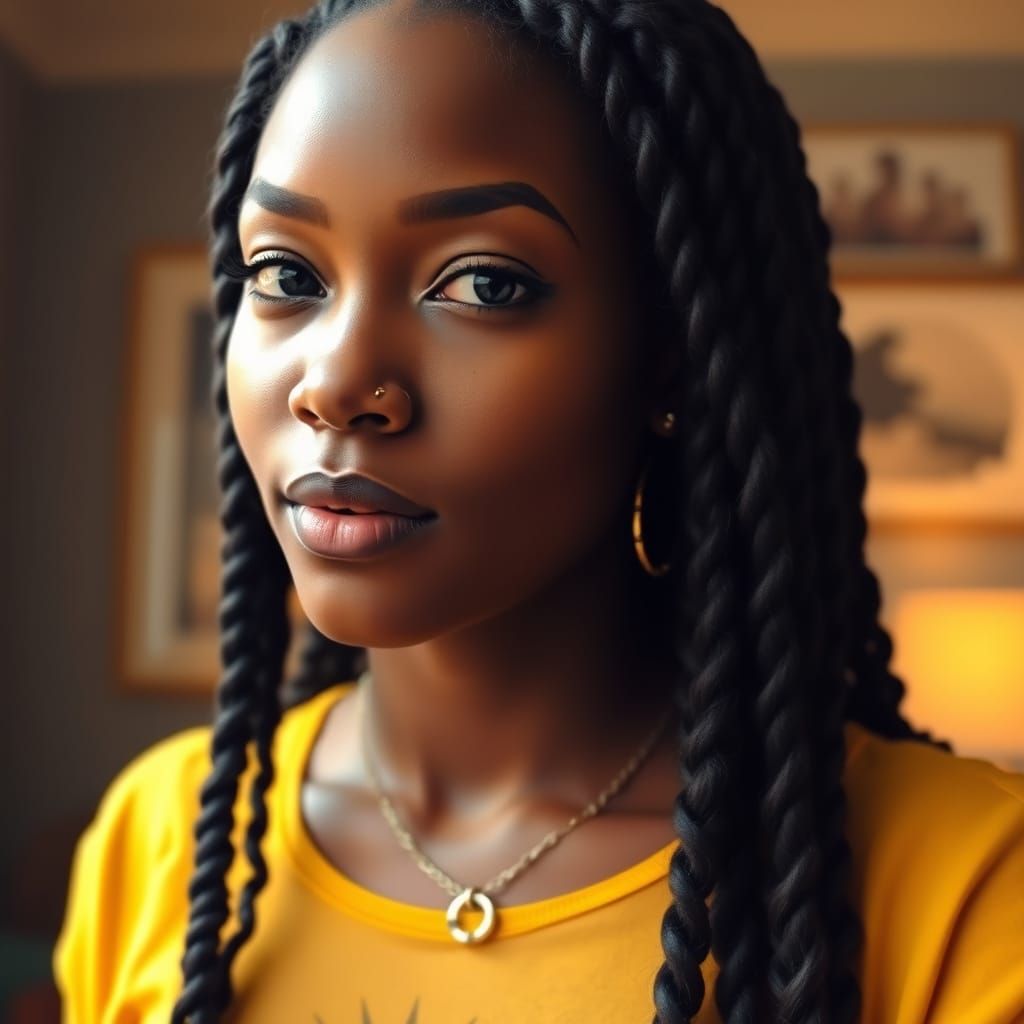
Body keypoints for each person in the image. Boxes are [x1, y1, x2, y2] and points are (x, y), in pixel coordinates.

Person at [52, 0, 1024, 1021]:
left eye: (481, 283)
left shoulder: (966, 891)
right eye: (285, 274)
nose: (335, 383)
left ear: (669, 355)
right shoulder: (156, 839)